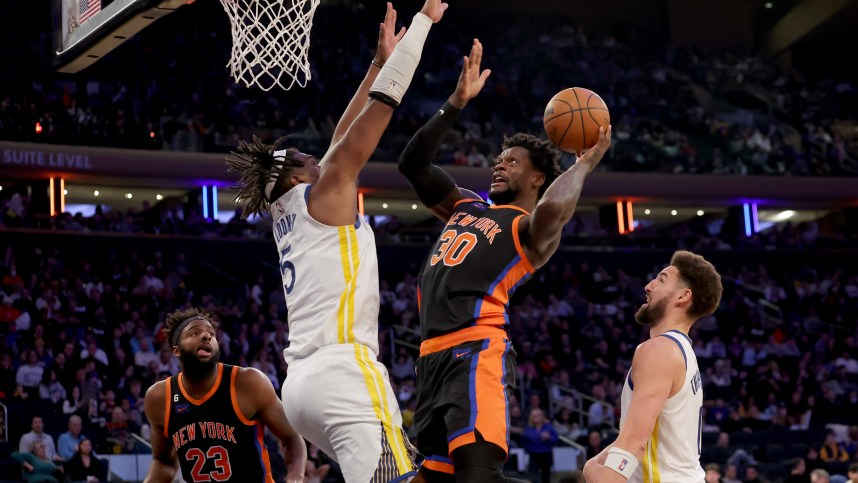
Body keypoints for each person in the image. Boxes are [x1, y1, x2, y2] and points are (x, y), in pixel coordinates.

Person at [225, 1, 448, 481]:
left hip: (302, 389)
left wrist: (376, 63)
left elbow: (344, 133)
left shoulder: (293, 210)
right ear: (292, 177)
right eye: (306, 157)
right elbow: (378, 113)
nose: (316, 155)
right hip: (343, 370)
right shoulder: (323, 192)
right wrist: (424, 23)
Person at [397, 37, 611, 481]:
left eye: (511, 161)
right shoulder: (466, 205)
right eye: (498, 159)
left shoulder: (529, 231)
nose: (499, 165)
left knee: (478, 474)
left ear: (537, 177)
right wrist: (456, 102)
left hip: (476, 355)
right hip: (430, 361)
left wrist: (583, 167)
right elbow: (413, 163)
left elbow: (553, 210)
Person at [583, 251, 723, 482]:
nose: (648, 286)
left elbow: (634, 445)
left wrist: (598, 473)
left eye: (661, 279)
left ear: (683, 296)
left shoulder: (660, 349)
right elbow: (640, 437)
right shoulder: (682, 351)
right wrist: (593, 464)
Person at [142, 308, 306, 483]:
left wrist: (295, 477)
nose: (206, 336)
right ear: (176, 350)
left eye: (211, 334)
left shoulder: (248, 382)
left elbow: (291, 437)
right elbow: (163, 462)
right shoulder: (159, 398)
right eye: (195, 333)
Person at [523, 408, 558, 483]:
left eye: (538, 415)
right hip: (534, 454)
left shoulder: (548, 426)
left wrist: (549, 437)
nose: (536, 417)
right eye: (534, 416)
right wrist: (541, 436)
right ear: (531, 417)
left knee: (546, 476)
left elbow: (555, 438)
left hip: (546, 453)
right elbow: (528, 437)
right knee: (534, 477)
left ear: (542, 416)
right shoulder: (529, 428)